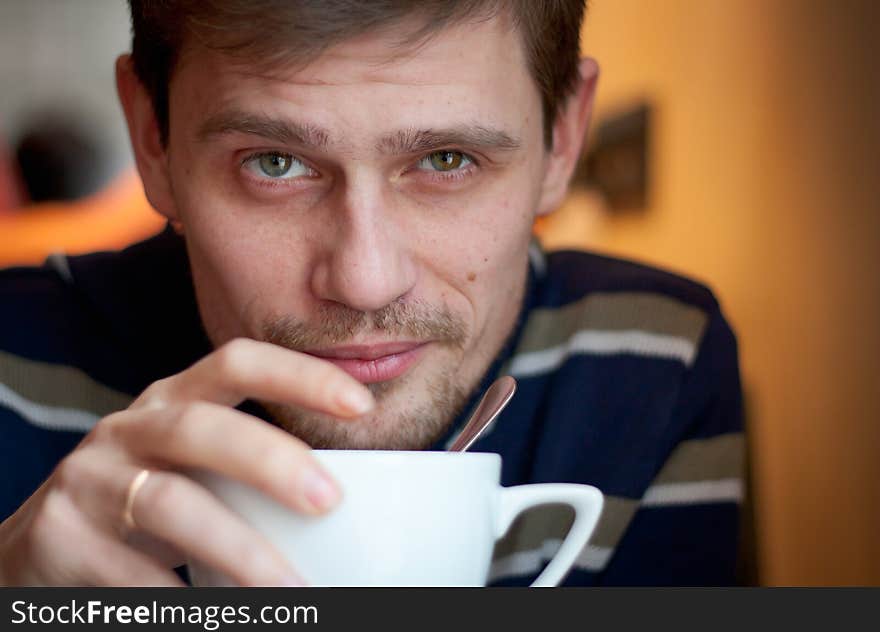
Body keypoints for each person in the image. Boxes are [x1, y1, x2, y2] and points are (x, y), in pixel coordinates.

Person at [0, 0, 744, 586]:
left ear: (563, 135)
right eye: (275, 163)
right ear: (152, 136)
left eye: (447, 159)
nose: (364, 282)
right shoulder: (14, 356)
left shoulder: (656, 358)